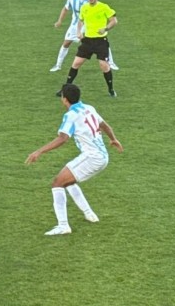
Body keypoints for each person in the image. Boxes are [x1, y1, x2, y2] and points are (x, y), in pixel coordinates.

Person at [25, 83, 123, 236]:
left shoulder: (71, 115)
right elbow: (105, 125)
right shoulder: (89, 108)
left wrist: (39, 151)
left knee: (57, 183)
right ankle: (89, 214)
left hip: (92, 157)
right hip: (102, 157)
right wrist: (113, 139)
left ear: (65, 99)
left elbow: (63, 138)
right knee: (68, 182)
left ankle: (63, 226)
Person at [57, 0, 118, 97]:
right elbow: (80, 21)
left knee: (104, 65)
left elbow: (114, 21)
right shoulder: (84, 7)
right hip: (87, 41)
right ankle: (64, 89)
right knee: (76, 63)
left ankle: (111, 89)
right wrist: (79, 32)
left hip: (101, 41)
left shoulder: (104, 7)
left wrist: (106, 28)